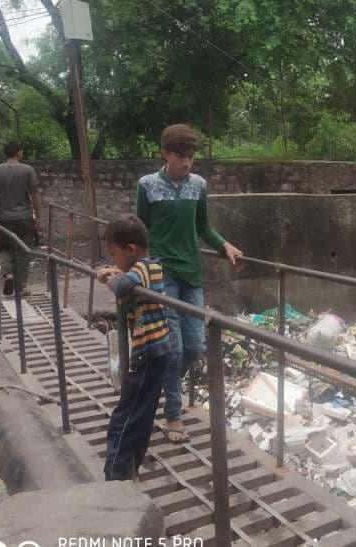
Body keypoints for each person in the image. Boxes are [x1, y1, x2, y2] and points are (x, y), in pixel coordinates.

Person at [136, 124, 242, 443]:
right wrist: (134, 270)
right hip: (161, 273)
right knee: (173, 348)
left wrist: (225, 245)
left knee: (194, 347)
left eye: (191, 157)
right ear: (165, 153)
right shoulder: (148, 186)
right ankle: (173, 415)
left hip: (191, 275)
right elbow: (139, 231)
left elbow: (202, 225)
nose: (187, 163)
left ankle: (157, 384)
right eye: (181, 156)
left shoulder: (198, 185)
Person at [97, 214, 171, 480]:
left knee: (125, 416)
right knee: (141, 413)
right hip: (157, 350)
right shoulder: (148, 267)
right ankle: (130, 467)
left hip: (149, 352)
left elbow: (119, 287)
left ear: (131, 249)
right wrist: (119, 271)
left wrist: (106, 275)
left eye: (114, 254)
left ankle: (116, 474)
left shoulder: (141, 270)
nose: (114, 261)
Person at [0, 141, 41, 296]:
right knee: (23, 251)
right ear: (19, 152)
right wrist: (39, 218)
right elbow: (35, 196)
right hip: (24, 218)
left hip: (3, 218)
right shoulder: (28, 170)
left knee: (4, 248)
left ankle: (8, 274)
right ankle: (21, 287)